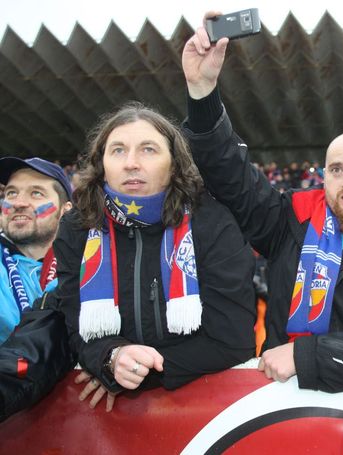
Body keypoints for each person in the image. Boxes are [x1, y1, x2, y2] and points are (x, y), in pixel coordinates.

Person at [180, 19, 343, 394]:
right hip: (275, 407)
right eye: (337, 169)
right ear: (325, 175)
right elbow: (230, 174)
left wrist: (305, 354)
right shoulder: (288, 220)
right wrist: (202, 91)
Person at [53, 102, 256, 411]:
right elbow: (74, 326)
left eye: (148, 150)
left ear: (174, 164)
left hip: (197, 407)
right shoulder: (76, 227)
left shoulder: (212, 222)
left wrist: (139, 373)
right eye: (118, 150)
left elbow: (233, 341)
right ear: (101, 163)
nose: (131, 163)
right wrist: (110, 357)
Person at [0, 157, 73, 344]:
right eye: (11, 193)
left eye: (36, 193)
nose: (19, 203)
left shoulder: (91, 264)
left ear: (65, 211)